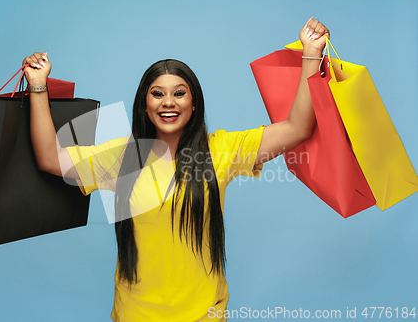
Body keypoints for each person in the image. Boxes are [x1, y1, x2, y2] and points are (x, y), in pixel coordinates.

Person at [22, 18, 329, 321]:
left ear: (194, 103)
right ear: (145, 105)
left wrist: (312, 54)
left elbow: (297, 129)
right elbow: (50, 158)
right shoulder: (121, 158)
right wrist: (37, 86)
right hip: (136, 315)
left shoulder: (221, 150)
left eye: (179, 93)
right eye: (157, 94)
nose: (168, 102)